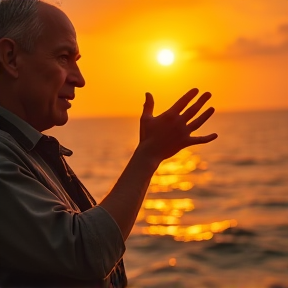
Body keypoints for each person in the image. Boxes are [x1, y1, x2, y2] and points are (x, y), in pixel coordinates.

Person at [0, 0, 218, 287]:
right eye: (64, 58)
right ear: (11, 57)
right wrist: (148, 156)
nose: (80, 79)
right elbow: (84, 253)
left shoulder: (28, 151)